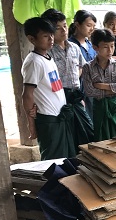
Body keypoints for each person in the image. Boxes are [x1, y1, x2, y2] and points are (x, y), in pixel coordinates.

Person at [21, 17, 76, 160]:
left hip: (59, 116)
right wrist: (31, 124)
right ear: (32, 39)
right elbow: (27, 94)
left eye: (51, 34)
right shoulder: (34, 62)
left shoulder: (47, 57)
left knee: (66, 159)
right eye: (45, 36)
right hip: (49, 120)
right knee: (53, 161)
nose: (51, 39)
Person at [41, 8, 94, 149]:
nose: (63, 30)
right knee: (65, 138)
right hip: (57, 99)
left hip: (75, 96)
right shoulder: (47, 52)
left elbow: (82, 66)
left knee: (87, 133)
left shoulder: (74, 47)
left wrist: (74, 81)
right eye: (58, 28)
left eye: (64, 25)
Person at [81, 29, 116, 141]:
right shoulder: (88, 67)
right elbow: (89, 91)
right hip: (100, 107)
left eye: (112, 46)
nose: (110, 50)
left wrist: (102, 86)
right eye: (105, 47)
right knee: (103, 139)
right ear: (95, 47)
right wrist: (114, 89)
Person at [69, 10, 98, 117]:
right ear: (77, 25)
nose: (92, 29)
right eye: (88, 25)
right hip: (79, 92)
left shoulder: (91, 45)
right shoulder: (70, 46)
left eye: (93, 26)